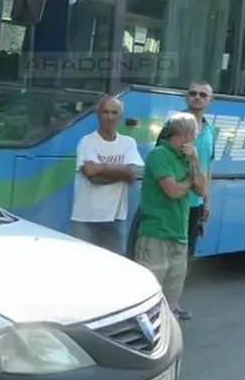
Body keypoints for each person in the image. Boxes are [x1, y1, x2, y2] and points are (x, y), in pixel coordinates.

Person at [137, 112, 207, 320]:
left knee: (171, 298)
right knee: (148, 294)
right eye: (194, 134)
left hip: (179, 233)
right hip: (156, 233)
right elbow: (173, 191)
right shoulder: (160, 155)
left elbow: (202, 191)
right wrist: (188, 182)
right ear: (186, 134)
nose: (194, 139)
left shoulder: (186, 158)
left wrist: (194, 161)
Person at [70, 95, 144, 255]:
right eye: (105, 112)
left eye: (114, 113)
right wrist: (123, 171)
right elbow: (93, 177)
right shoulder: (87, 142)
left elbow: (134, 174)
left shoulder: (128, 142)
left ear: (120, 116)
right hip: (86, 219)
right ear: (98, 115)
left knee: (114, 270)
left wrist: (101, 167)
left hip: (115, 219)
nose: (110, 117)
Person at [155, 80, 218, 263]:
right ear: (186, 97)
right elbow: (161, 160)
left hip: (195, 204)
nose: (197, 97)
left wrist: (206, 201)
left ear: (210, 100)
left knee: (185, 256)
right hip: (173, 201)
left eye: (203, 94)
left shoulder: (209, 130)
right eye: (193, 93)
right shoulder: (173, 126)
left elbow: (208, 166)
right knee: (165, 255)